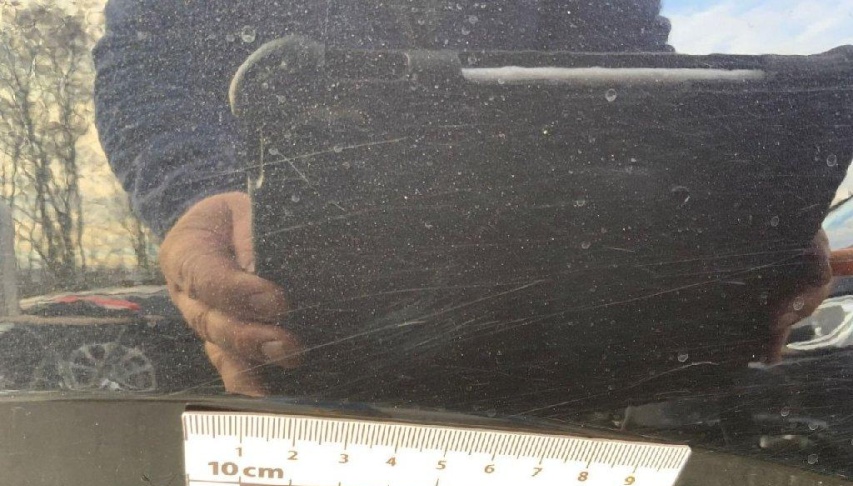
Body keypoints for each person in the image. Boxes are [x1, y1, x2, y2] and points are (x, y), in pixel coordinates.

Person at [93, 0, 676, 396]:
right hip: (325, 320)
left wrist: (690, 207)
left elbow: (636, 77)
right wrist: (201, 193)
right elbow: (151, 66)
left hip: (573, 313)